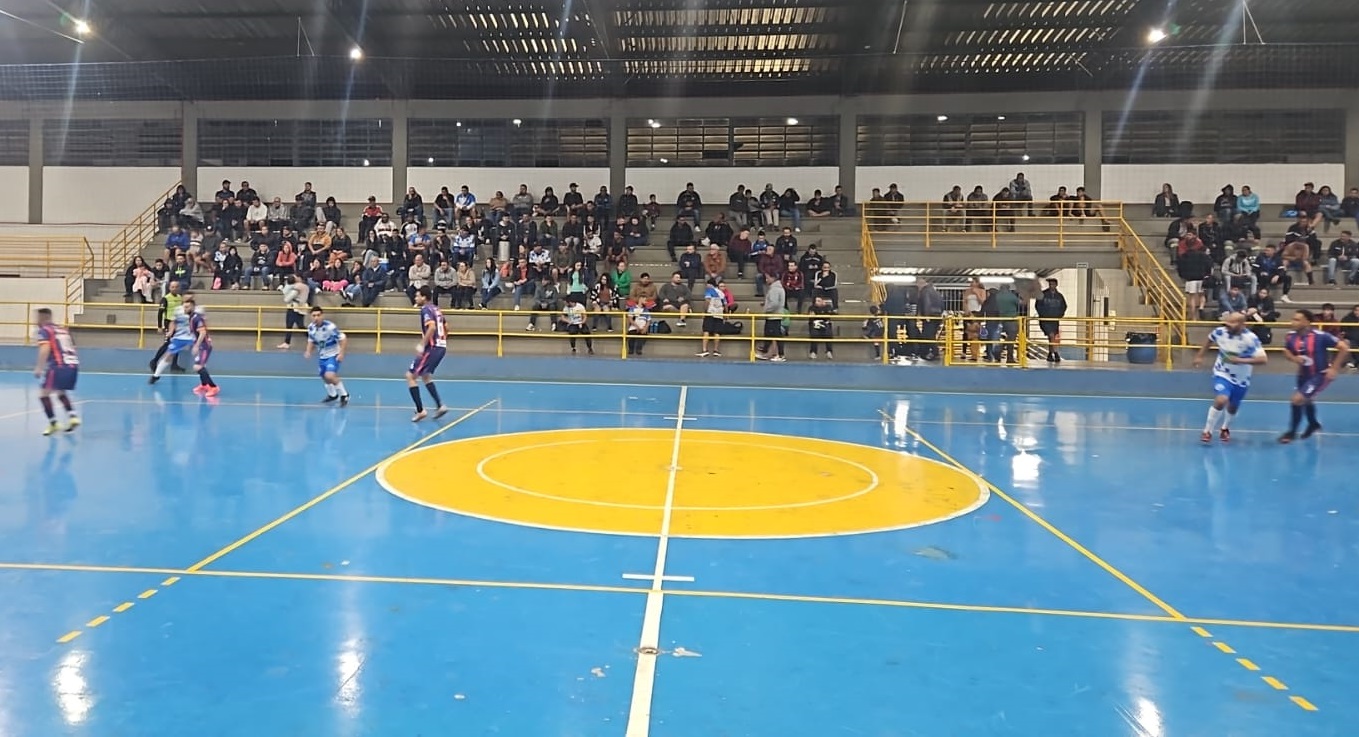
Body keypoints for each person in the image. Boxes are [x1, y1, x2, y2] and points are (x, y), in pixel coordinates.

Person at [1192, 312, 1267, 443]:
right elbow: (1209, 340)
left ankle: (1225, 427)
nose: (1228, 325)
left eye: (1232, 322)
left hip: (1242, 378)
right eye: (1228, 321)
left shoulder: (1250, 339)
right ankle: (1207, 431)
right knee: (1221, 400)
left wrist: (1239, 360)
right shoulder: (1220, 332)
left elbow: (1263, 359)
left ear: (1242, 324)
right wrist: (1200, 355)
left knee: (1233, 406)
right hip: (1222, 373)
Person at [1279, 309, 1351, 443]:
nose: (1293, 322)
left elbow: (1344, 348)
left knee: (1297, 400)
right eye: (1293, 319)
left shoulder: (1320, 336)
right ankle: (1313, 424)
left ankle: (1292, 432)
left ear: (1307, 322)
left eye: (1297, 320)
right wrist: (1294, 358)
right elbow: (1286, 350)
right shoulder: (1291, 336)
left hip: (1319, 375)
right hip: (1302, 375)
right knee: (1307, 400)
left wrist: (1334, 368)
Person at [150, 296, 217, 395]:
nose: (185, 309)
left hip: (203, 345)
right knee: (196, 365)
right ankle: (204, 385)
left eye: (188, 307)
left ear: (193, 306)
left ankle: (213, 387)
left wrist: (197, 345)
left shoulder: (197, 317)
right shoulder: (190, 317)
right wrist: (171, 332)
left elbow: (202, 332)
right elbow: (174, 322)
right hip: (185, 339)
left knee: (198, 366)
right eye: (184, 307)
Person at [33, 308, 81, 436]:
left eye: (37, 318)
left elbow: (45, 349)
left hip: (58, 366)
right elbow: (73, 347)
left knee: (43, 394)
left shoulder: (45, 330)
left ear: (43, 318)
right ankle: (73, 416)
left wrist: (39, 368)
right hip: (73, 365)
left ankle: (53, 422)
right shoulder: (62, 329)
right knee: (60, 391)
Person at [407, 287, 450, 422]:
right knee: (425, 376)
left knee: (410, 376)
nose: (415, 298)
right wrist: (442, 340)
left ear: (424, 297)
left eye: (417, 296)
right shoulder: (436, 309)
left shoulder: (425, 309)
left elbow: (431, 327)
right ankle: (440, 405)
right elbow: (447, 327)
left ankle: (420, 411)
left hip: (432, 347)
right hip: (441, 347)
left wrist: (422, 344)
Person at [303, 306, 349, 406]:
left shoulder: (330, 327)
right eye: (314, 315)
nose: (316, 318)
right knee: (324, 376)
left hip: (333, 355)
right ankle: (332, 395)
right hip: (322, 355)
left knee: (330, 375)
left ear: (322, 316)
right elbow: (311, 341)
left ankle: (344, 395)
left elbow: (343, 338)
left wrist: (341, 353)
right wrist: (308, 351)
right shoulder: (311, 328)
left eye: (318, 315)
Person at [1035, 278, 1068, 363]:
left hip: (1054, 320)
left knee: (1051, 337)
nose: (1051, 286)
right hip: (1045, 320)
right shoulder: (1043, 294)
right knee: (1051, 335)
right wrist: (1042, 314)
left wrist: (1059, 315)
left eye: (1053, 284)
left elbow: (1064, 306)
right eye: (1050, 284)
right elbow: (1038, 305)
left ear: (1056, 285)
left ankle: (1050, 354)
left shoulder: (1059, 296)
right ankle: (1056, 353)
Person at [699, 278, 726, 358]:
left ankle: (705, 350)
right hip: (719, 314)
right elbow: (725, 304)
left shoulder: (709, 290)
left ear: (710, 284)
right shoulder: (721, 293)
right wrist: (726, 314)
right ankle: (716, 350)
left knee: (706, 331)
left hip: (710, 313)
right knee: (717, 332)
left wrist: (705, 311)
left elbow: (707, 301)